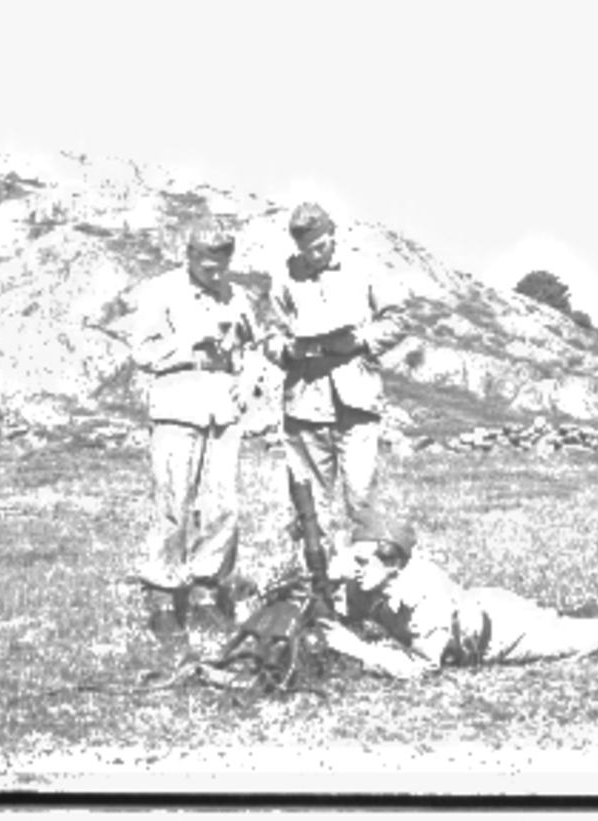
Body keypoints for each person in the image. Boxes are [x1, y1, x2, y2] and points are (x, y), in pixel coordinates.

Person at [319, 511, 598, 679]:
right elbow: (347, 601)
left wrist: (358, 649)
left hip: (503, 633)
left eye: (364, 563)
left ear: (394, 562)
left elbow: (422, 666)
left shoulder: (422, 599)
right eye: (353, 560)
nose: (355, 571)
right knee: (583, 620)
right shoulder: (371, 576)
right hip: (486, 606)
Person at [261, 202, 407, 586]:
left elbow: (398, 320)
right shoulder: (284, 277)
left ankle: (368, 586)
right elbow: (271, 336)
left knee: (360, 496)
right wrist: (288, 351)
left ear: (333, 235)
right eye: (307, 250)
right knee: (310, 504)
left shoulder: (364, 268)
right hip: (305, 403)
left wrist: (361, 340)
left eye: (321, 246)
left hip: (357, 400)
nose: (315, 256)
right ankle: (316, 585)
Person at [127, 221, 262, 628]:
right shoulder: (161, 291)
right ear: (189, 256)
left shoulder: (237, 296)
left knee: (223, 505)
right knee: (173, 503)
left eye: (222, 266)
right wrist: (189, 340)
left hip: (223, 410)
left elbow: (254, 346)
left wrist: (249, 380)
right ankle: (163, 596)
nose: (216, 275)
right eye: (207, 267)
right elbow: (142, 353)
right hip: (176, 405)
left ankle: (207, 590)